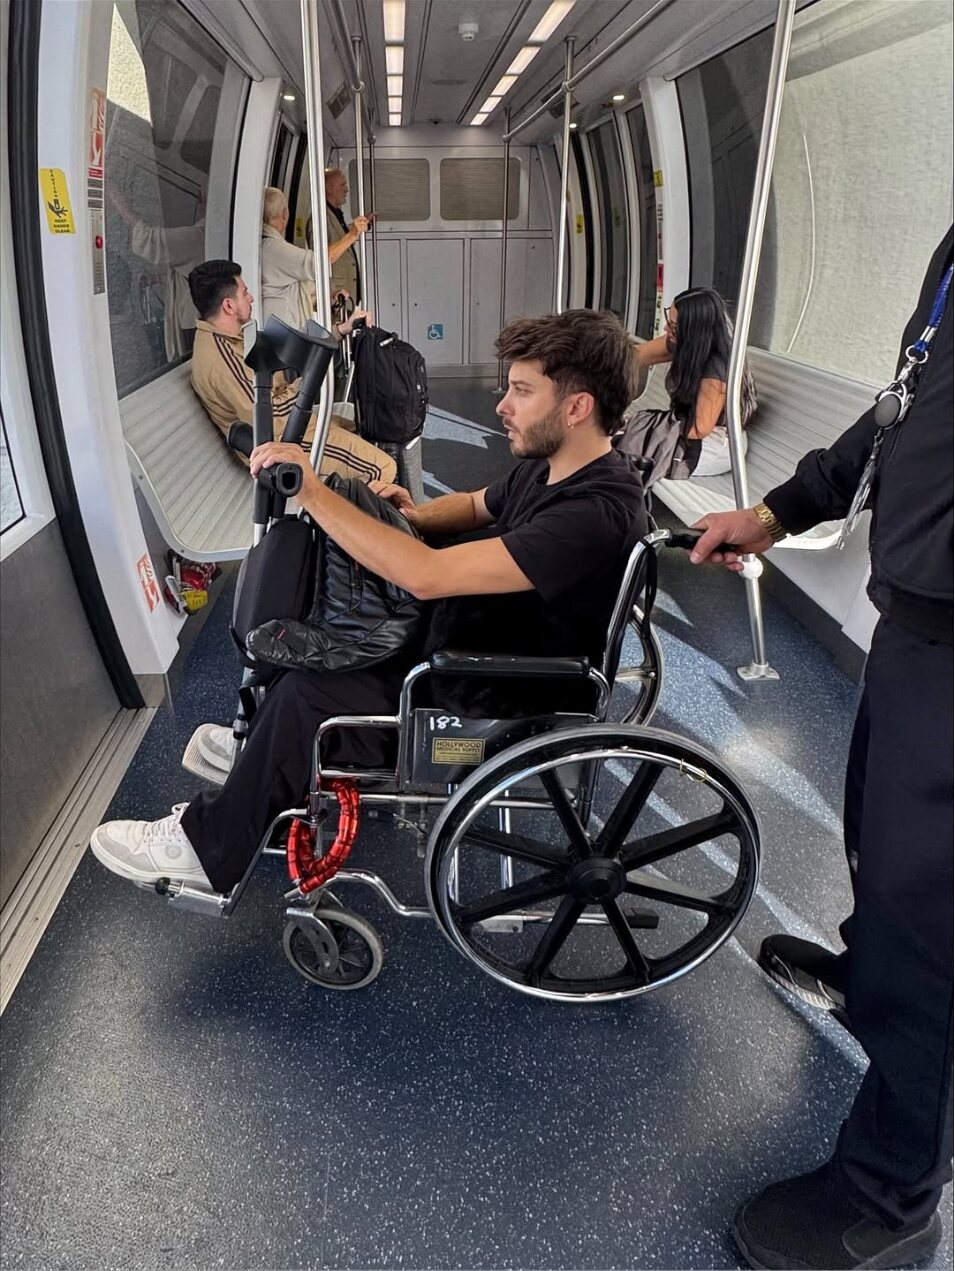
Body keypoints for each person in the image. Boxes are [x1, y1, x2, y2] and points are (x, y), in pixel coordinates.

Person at [89, 309, 647, 896]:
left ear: (577, 407)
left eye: (521, 391)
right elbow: (477, 505)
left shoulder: (596, 514)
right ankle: (260, 766)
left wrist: (315, 492)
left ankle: (208, 848)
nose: (503, 405)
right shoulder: (554, 468)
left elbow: (427, 576)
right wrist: (408, 515)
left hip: (491, 691)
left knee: (311, 695)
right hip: (464, 642)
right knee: (312, 640)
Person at [691, 227, 953, 1271]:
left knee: (931, 909)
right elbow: (901, 404)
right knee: (871, 842)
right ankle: (866, 968)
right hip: (916, 613)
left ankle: (890, 1193)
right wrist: (779, 508)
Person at [187, 260, 396, 485]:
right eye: (245, 292)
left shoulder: (232, 337)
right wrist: (307, 380)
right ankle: (344, 518)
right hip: (279, 443)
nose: (251, 298)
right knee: (382, 469)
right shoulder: (221, 358)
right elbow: (270, 416)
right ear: (228, 306)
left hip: (291, 423)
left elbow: (287, 356)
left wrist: (341, 330)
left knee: (361, 425)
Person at [616, 287, 757, 485]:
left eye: (673, 326)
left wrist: (644, 428)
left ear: (695, 331)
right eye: (669, 320)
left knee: (617, 447)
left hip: (711, 446)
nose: (666, 329)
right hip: (683, 427)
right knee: (614, 434)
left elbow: (698, 429)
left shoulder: (717, 370)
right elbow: (634, 356)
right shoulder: (686, 343)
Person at [107, 182, 205, 359]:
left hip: (191, 320)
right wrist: (161, 278)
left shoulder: (197, 236)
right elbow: (196, 272)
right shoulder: (211, 234)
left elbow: (149, 239)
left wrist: (115, 197)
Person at [260, 186, 317, 330]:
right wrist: (353, 234)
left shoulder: (267, 245)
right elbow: (317, 264)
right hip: (283, 329)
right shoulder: (274, 248)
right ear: (284, 214)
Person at [324, 167, 371, 303]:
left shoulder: (335, 214)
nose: (346, 189)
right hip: (336, 296)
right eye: (342, 185)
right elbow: (322, 258)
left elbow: (339, 239)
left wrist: (363, 224)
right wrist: (352, 234)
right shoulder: (321, 218)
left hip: (346, 296)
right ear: (329, 188)